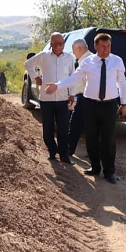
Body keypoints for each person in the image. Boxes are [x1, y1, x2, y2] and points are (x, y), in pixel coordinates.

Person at [45, 33, 126, 183]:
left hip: (109, 105)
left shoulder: (117, 61)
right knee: (91, 136)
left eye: (108, 46)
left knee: (108, 139)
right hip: (90, 104)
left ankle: (109, 171)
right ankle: (95, 167)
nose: (106, 49)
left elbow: (122, 83)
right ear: (95, 46)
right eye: (103, 46)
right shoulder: (87, 62)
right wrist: (57, 86)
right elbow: (74, 78)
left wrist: (124, 104)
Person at [24, 32, 75, 164]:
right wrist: (36, 77)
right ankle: (52, 151)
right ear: (51, 44)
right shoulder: (44, 56)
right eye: (57, 44)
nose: (60, 46)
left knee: (64, 128)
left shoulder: (69, 58)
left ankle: (64, 154)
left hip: (63, 98)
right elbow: (28, 64)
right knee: (48, 128)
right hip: (47, 99)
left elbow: (72, 77)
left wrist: (72, 94)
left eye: (62, 43)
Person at [68, 38, 93, 156]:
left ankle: (68, 151)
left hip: (86, 98)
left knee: (75, 125)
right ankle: (92, 153)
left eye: (74, 51)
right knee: (91, 128)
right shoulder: (90, 59)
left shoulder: (87, 61)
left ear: (80, 49)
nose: (73, 54)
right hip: (87, 98)